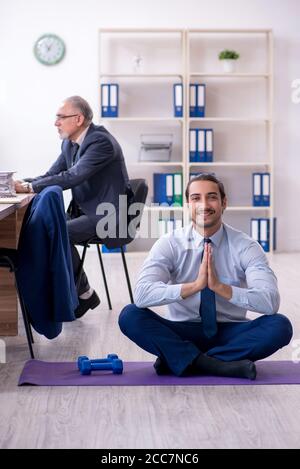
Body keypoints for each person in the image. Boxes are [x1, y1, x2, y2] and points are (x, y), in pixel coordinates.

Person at [119, 174, 293, 379]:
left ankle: (181, 359)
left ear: (223, 202)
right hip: (181, 330)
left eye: (211, 197)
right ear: (188, 204)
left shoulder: (246, 246)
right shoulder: (169, 243)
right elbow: (141, 294)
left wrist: (221, 288)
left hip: (231, 332)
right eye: (195, 198)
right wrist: (193, 287)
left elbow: (270, 302)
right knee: (130, 315)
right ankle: (217, 364)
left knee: (280, 326)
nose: (204, 204)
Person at [15, 96, 132, 319]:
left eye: (60, 117)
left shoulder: (101, 142)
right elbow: (53, 175)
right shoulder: (70, 144)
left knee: (59, 233)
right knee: (42, 229)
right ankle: (76, 294)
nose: (56, 123)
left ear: (78, 119)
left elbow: (73, 176)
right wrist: (21, 183)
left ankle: (80, 295)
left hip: (112, 216)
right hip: (90, 212)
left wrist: (29, 186)